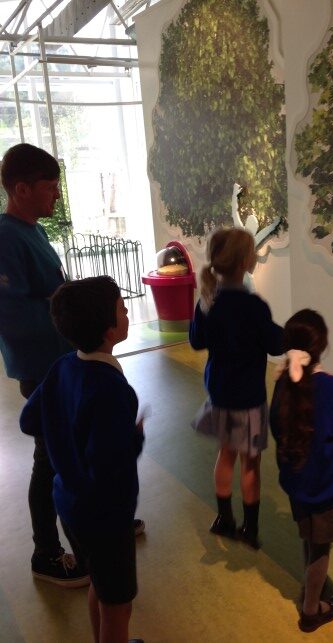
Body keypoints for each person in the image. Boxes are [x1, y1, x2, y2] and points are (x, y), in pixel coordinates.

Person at [20, 276, 144, 643]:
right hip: (106, 517)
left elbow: (29, 420)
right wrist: (134, 437)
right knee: (118, 606)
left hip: (69, 505)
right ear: (109, 330)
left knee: (98, 584)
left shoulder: (62, 367)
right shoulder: (111, 389)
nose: (126, 310)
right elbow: (111, 465)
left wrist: (65, 439)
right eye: (121, 308)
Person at [0, 142, 88, 586]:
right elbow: (11, 316)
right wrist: (65, 307)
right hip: (41, 369)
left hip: (60, 362)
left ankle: (91, 524)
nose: (56, 195)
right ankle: (46, 553)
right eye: (50, 187)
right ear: (21, 189)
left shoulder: (31, 230)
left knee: (74, 449)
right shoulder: (5, 237)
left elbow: (49, 292)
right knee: (49, 460)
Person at [270, 309, 333, 633]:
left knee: (310, 536)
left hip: (297, 482)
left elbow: (275, 426)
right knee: (321, 548)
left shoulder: (283, 384)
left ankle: (310, 586)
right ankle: (312, 609)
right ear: (322, 345)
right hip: (326, 485)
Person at [189, 227, 284, 548]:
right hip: (249, 398)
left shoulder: (207, 301)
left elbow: (196, 341)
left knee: (226, 455)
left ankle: (224, 519)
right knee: (250, 463)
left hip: (220, 394)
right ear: (245, 261)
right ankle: (250, 529)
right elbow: (275, 344)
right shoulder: (253, 306)